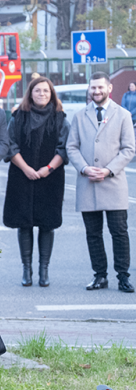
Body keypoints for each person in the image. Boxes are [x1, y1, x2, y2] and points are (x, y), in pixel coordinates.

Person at [67, 72, 135, 293]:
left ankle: (123, 276)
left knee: (119, 232)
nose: (96, 91)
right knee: (93, 234)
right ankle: (100, 276)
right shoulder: (79, 116)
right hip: (88, 183)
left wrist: (108, 170)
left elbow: (128, 149)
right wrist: (85, 168)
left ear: (109, 88)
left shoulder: (123, 115)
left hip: (113, 183)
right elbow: (71, 147)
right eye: (93, 88)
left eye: (100, 88)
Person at [3, 77, 70, 287]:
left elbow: (64, 148)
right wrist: (26, 168)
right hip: (22, 176)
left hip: (50, 177)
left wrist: (47, 169)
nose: (42, 94)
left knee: (47, 224)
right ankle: (27, 270)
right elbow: (10, 145)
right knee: (24, 224)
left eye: (46, 91)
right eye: (38, 91)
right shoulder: (18, 117)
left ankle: (44, 270)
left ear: (52, 94)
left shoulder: (60, 118)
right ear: (30, 93)